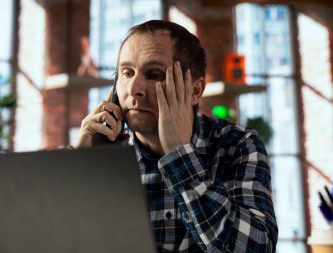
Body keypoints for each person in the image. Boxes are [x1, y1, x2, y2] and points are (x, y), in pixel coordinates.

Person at [75, 20, 278, 252]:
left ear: (195, 91)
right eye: (126, 73)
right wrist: (78, 166)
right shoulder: (102, 152)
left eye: (154, 74)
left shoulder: (238, 145)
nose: (133, 89)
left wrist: (179, 154)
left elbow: (256, 248)